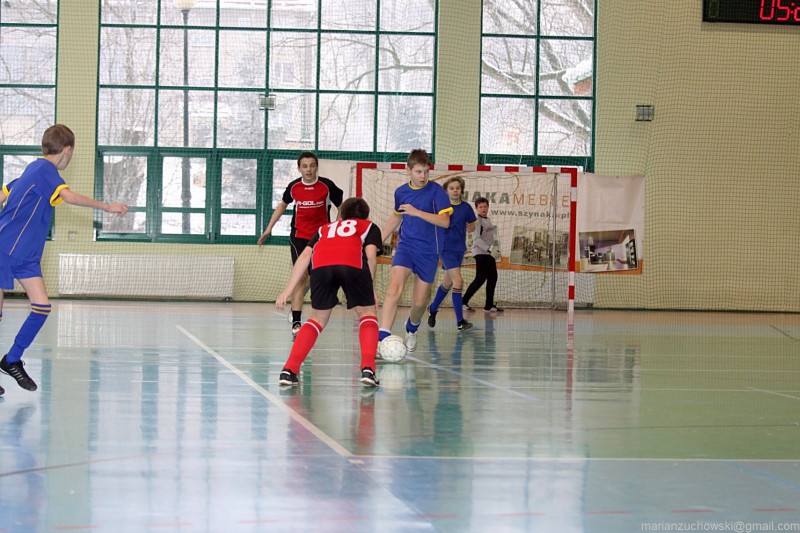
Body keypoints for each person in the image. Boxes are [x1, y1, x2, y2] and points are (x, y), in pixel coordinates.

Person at [0, 124, 128, 395]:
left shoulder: (31, 171)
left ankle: (11, 359)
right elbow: (68, 196)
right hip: (5, 248)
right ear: (67, 150)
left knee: (42, 307)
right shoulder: (45, 170)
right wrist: (107, 206)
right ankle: (11, 360)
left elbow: (2, 193)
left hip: (26, 255)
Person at [275, 197, 382, 387]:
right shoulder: (369, 227)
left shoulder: (324, 229)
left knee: (317, 318)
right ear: (366, 216)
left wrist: (288, 290)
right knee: (367, 313)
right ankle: (368, 369)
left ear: (341, 216)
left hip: (321, 266)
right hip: (352, 264)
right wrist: (370, 286)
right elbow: (370, 256)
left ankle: (289, 370)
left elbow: (305, 256)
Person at [258, 152, 344, 337]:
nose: (309, 169)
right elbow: (282, 205)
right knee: (301, 276)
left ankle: (296, 307)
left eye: (312, 165)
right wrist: (269, 228)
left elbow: (342, 206)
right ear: (299, 168)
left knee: (316, 277)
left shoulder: (327, 186)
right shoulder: (294, 186)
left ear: (316, 167)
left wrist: (335, 227)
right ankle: (296, 321)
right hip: (299, 237)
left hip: (321, 238)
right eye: (305, 166)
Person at [378, 149, 452, 352]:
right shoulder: (401, 192)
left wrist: (417, 212)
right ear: (408, 170)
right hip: (406, 247)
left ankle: (412, 327)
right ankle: (382, 338)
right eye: (419, 171)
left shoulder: (436, 191)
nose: (423, 176)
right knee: (394, 289)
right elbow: (396, 216)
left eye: (426, 171)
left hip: (429, 252)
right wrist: (378, 240)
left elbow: (445, 222)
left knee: (419, 303)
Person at [426, 176, 476, 331]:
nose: (455, 191)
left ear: (461, 190)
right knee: (458, 281)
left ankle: (433, 308)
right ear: (446, 191)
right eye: (452, 188)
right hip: (445, 248)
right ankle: (460, 321)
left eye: (458, 188)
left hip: (459, 249)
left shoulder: (466, 207)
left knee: (447, 283)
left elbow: (472, 223)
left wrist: (472, 227)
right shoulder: (442, 207)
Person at [462, 197, 504, 313]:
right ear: (476, 209)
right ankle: (463, 302)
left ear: (488, 207)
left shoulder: (487, 220)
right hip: (481, 253)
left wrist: (494, 249)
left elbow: (487, 238)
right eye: (480, 207)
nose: (483, 209)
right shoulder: (477, 221)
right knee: (480, 278)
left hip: (488, 254)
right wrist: (489, 249)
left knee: (493, 277)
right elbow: (477, 239)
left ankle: (488, 305)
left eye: (485, 206)